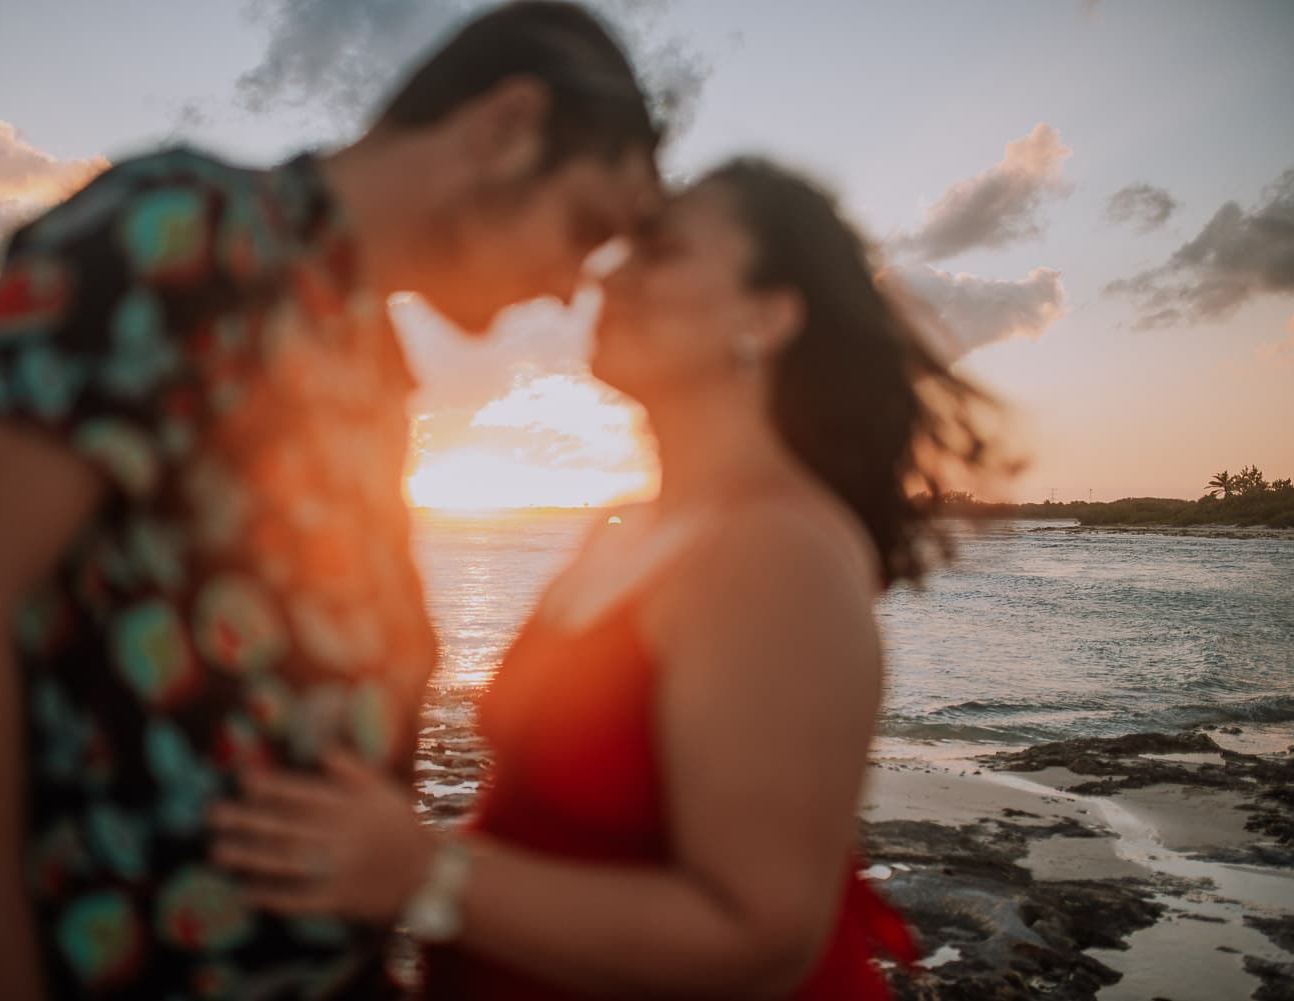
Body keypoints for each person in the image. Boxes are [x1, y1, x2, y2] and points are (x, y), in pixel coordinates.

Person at [0, 5, 661, 999]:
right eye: (586, 227)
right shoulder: (175, 232)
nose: (571, 284)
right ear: (503, 127)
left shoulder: (364, 347)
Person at [210, 159, 1010, 999]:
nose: (609, 273)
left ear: (764, 315)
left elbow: (761, 937)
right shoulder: (626, 527)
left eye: (658, 252)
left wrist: (422, 871)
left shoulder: (779, 553)